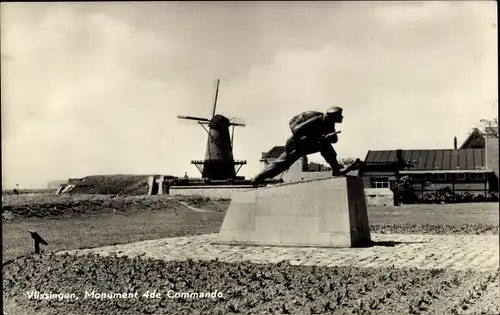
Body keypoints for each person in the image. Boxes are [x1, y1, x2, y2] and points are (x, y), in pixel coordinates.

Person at [252, 107, 346, 185]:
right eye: (340, 115)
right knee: (282, 163)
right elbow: (297, 130)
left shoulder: (329, 123)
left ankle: (336, 168)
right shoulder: (317, 120)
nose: (342, 117)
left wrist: (327, 137)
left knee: (325, 146)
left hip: (307, 139)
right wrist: (322, 137)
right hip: (298, 140)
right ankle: (258, 178)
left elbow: (334, 140)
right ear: (333, 116)